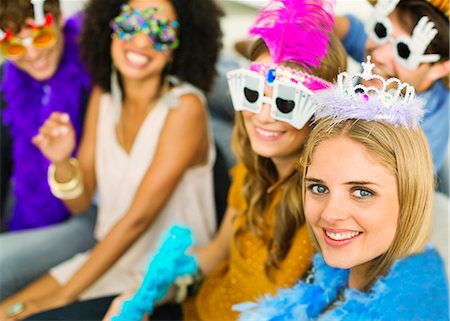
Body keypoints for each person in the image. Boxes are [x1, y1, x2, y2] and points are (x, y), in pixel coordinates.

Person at [23, 0, 348, 320]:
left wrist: (63, 298)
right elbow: (220, 250)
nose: (263, 115)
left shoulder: (325, 199)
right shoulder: (250, 173)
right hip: (182, 293)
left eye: (288, 101)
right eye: (251, 92)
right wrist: (157, 290)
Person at [0, 0, 223, 319]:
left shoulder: (185, 108)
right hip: (107, 258)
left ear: (178, 46)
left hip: (163, 275)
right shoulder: (103, 96)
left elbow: (137, 220)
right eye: (131, 24)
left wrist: (62, 297)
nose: (142, 41)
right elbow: (81, 203)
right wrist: (62, 161)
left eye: (160, 32)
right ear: (110, 29)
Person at [236, 57, 449, 320]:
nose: (329, 214)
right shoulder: (336, 278)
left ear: (410, 198)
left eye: (362, 192)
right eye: (318, 188)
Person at [0, 0, 97, 301]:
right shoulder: (7, 82)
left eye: (41, 37)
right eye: (15, 47)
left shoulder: (96, 64)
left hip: (92, 211)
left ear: (58, 19)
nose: (33, 54)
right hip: (31, 203)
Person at [335, 0, 449, 178]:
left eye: (404, 51)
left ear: (439, 68)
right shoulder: (386, 63)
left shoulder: (425, 132)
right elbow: (352, 32)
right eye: (381, 31)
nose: (379, 56)